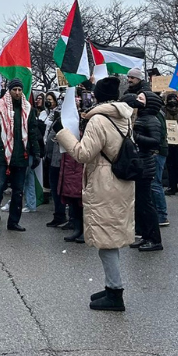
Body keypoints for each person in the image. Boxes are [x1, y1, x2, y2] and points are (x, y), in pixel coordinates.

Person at [55, 76, 136, 312]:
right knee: (111, 235)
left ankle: (115, 292)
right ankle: (112, 286)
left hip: (105, 181)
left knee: (107, 240)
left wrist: (63, 133)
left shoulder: (99, 120)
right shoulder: (125, 117)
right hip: (119, 181)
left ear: (98, 97)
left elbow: (83, 154)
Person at [0, 80, 41, 235]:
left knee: (18, 191)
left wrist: (36, 152)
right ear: (9, 92)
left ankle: (14, 222)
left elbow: (32, 133)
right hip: (1, 155)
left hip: (20, 156)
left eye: (19, 89)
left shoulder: (28, 110)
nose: (17, 92)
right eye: (14, 89)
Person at [129, 89, 166, 251]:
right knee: (139, 203)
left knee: (146, 203)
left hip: (145, 165)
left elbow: (155, 141)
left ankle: (155, 239)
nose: (137, 100)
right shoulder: (140, 117)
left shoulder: (152, 119)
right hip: (138, 164)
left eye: (141, 98)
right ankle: (145, 235)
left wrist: (135, 137)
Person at [41, 92, 67, 227]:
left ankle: (60, 214)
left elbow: (55, 136)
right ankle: (58, 214)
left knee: (58, 187)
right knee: (55, 185)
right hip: (51, 156)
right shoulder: (52, 114)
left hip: (57, 157)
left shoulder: (63, 116)